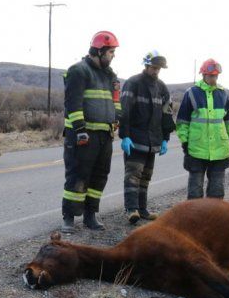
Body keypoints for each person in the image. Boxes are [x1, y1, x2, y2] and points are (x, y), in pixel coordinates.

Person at [61, 30, 122, 233]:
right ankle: (69, 217)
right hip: (83, 135)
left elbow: (115, 101)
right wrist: (79, 130)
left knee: (99, 177)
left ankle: (90, 215)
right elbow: (73, 103)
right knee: (78, 175)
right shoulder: (78, 71)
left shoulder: (109, 75)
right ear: (99, 50)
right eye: (111, 52)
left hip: (104, 135)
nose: (113, 56)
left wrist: (117, 119)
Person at [119, 50, 174, 224]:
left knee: (146, 177)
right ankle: (131, 209)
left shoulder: (162, 87)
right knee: (133, 175)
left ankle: (142, 209)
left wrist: (165, 138)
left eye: (159, 68)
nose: (156, 71)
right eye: (154, 67)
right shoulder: (133, 83)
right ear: (146, 65)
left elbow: (167, 114)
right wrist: (125, 136)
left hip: (153, 141)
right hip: (135, 139)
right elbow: (124, 111)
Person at [176, 58, 229, 199]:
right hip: (197, 149)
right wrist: (184, 141)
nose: (214, 79)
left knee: (217, 191)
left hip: (219, 149)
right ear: (203, 75)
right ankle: (195, 220)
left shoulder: (223, 94)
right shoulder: (191, 93)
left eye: (216, 76)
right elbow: (182, 121)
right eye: (211, 76)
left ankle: (213, 219)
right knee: (195, 191)